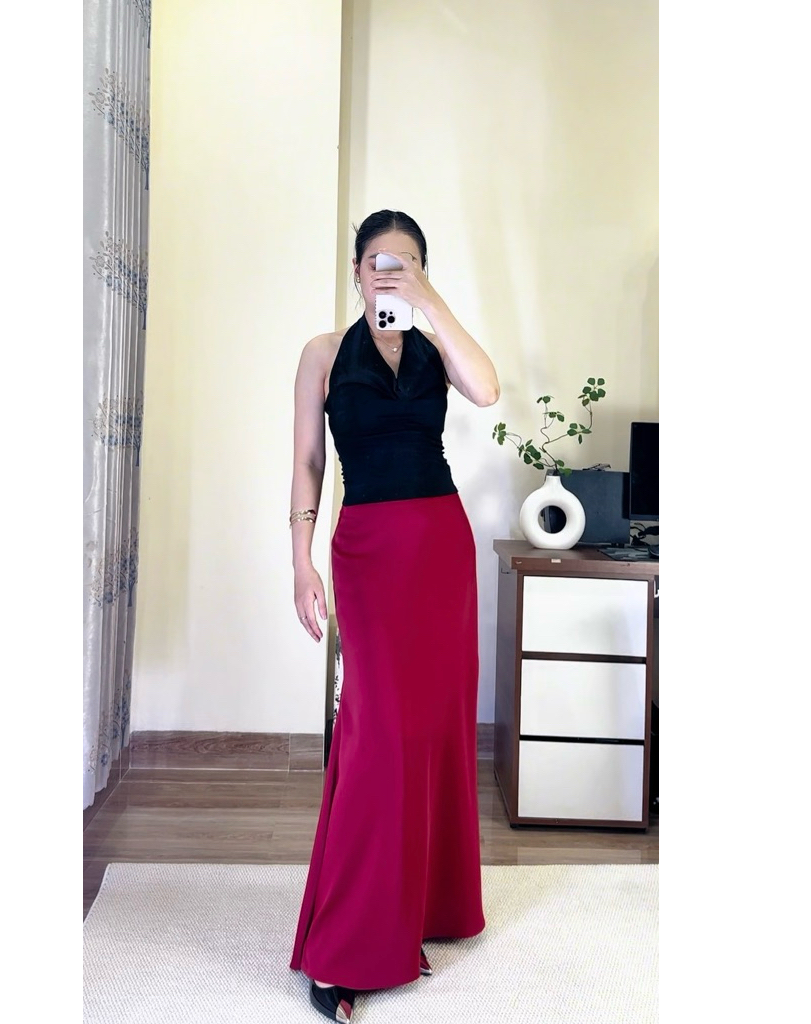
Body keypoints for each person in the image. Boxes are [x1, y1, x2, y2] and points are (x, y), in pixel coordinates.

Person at [287, 210, 500, 1022]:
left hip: (440, 548)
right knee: (375, 734)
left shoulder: (436, 347)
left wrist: (429, 301)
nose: (390, 272)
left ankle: (422, 909)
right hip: (368, 552)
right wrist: (301, 560)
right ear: (355, 270)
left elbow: (488, 388)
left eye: (406, 261)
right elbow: (309, 461)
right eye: (378, 260)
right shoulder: (321, 353)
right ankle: (347, 946)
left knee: (435, 730)